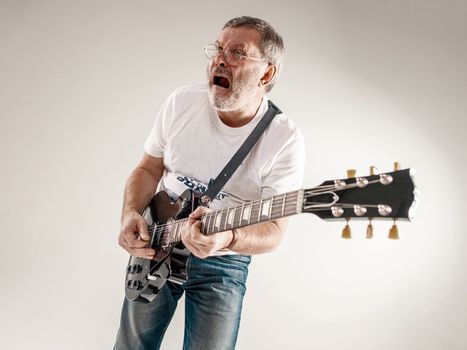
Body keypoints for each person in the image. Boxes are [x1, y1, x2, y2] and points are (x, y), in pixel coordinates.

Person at [114, 16, 305, 350]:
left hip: (224, 258)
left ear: (267, 72)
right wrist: (130, 212)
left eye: (236, 53)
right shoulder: (181, 103)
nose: (219, 60)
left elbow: (274, 232)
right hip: (156, 240)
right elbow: (148, 168)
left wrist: (229, 237)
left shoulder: (284, 140)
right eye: (218, 49)